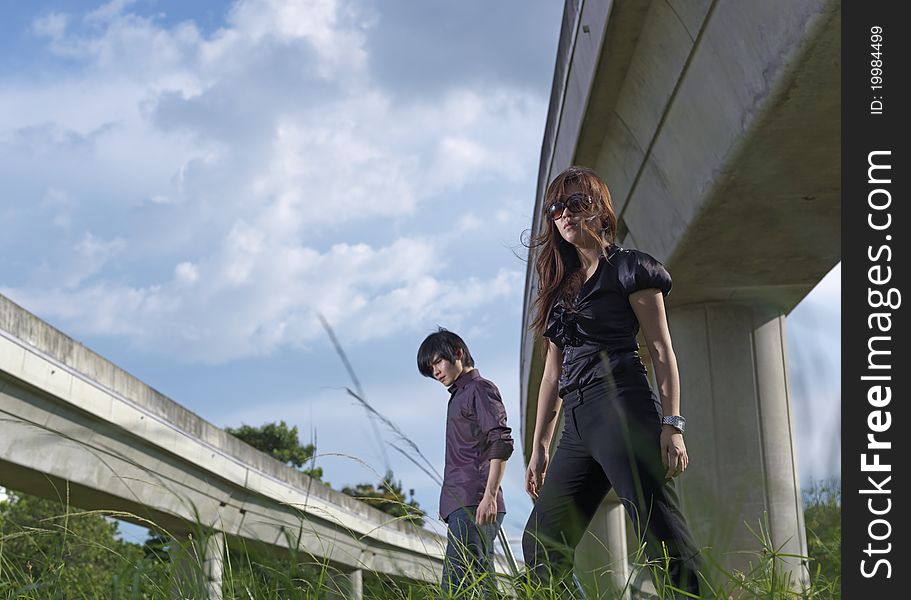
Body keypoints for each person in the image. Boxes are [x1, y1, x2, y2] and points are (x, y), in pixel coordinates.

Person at [522, 166, 702, 597]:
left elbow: (660, 349)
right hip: (577, 424)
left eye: (576, 203)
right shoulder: (559, 290)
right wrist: (539, 446)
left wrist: (672, 425)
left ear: (601, 211)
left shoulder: (630, 268)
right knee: (540, 544)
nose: (563, 213)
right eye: (556, 207)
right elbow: (551, 375)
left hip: (622, 404)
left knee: (663, 539)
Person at [417, 328, 514, 597]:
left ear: (458, 353)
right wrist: (448, 502)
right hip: (462, 503)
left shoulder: (479, 389)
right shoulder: (458, 396)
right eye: (430, 368)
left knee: (456, 588)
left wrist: (490, 496)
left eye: (437, 362)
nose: (435, 372)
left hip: (476, 502)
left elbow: (501, 441)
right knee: (480, 584)